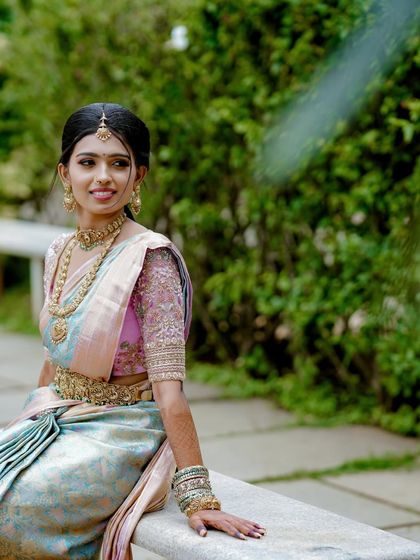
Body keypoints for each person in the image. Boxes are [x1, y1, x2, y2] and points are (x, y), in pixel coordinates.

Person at [0, 103, 266, 559]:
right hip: (60, 418)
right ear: (65, 174)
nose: (103, 177)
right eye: (88, 163)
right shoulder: (60, 251)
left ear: (138, 175)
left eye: (118, 163)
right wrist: (28, 428)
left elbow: (169, 394)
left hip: (125, 434)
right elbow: (54, 358)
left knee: (14, 512)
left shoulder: (151, 260)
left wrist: (198, 497)